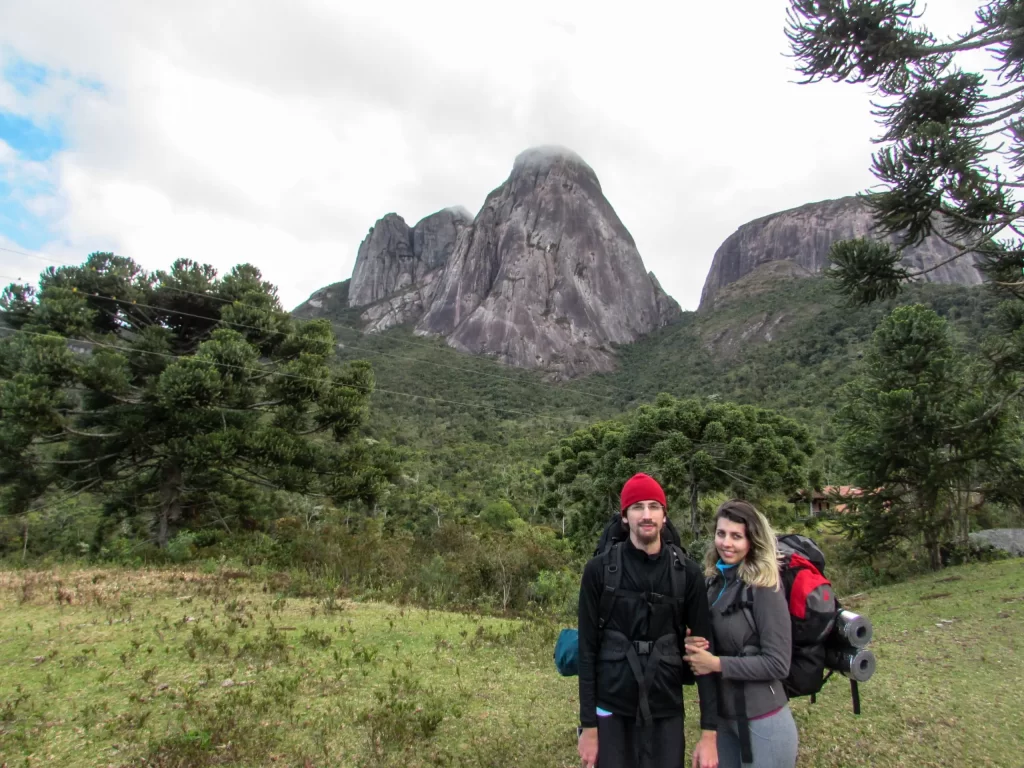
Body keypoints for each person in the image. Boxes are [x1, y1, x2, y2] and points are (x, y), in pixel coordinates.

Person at [576, 472, 719, 768]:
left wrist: (709, 734)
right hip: (610, 707)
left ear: (665, 515)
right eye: (637, 507)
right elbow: (587, 651)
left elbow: (703, 655)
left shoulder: (687, 574)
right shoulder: (599, 571)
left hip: (666, 706)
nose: (646, 514)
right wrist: (588, 727)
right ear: (624, 516)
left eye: (654, 506)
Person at [682, 500, 799, 768]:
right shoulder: (714, 583)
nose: (727, 543)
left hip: (764, 720)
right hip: (725, 718)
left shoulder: (764, 588)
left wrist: (715, 663)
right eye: (721, 534)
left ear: (752, 541)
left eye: (737, 536)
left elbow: (778, 663)